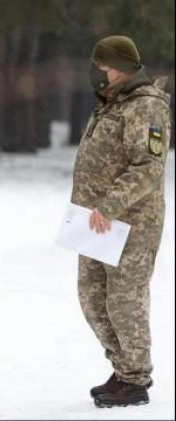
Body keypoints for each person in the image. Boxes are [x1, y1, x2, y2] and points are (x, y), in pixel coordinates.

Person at [72, 35, 171, 408]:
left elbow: (149, 167)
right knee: (93, 298)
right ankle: (123, 367)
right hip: (94, 221)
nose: (97, 72)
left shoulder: (145, 107)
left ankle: (135, 380)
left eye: (103, 65)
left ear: (120, 67)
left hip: (130, 222)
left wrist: (110, 204)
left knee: (124, 301)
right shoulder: (112, 103)